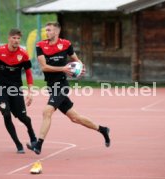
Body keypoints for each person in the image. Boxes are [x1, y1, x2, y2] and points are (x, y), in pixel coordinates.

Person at [27, 22, 110, 155]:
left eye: (49, 30)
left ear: (56, 32)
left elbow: (77, 61)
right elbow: (44, 67)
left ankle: (38, 145)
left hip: (62, 85)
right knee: (75, 118)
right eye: (46, 30)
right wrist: (63, 68)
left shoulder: (66, 44)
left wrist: (81, 69)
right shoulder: (40, 45)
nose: (46, 32)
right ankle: (103, 129)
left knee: (47, 111)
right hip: (51, 86)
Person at [0, 28, 37, 154]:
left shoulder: (23, 54)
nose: (16, 40)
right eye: (14, 38)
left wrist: (30, 92)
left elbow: (29, 74)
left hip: (15, 88)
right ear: (9, 38)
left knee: (23, 117)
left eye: (18, 38)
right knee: (6, 114)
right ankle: (18, 144)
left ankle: (32, 136)